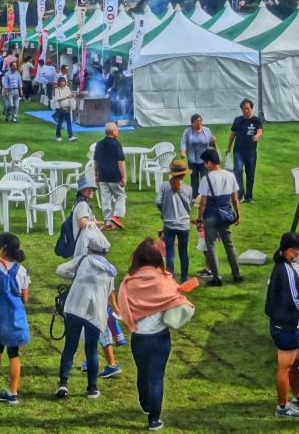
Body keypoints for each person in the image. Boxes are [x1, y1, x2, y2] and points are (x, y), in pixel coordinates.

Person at [118, 238, 194, 431]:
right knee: (157, 378)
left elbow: (123, 306)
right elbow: (175, 299)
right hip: (160, 337)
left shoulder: (130, 280)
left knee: (142, 373)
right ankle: (154, 420)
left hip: (139, 337)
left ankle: (145, 404)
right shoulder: (164, 278)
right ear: (157, 257)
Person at [264, 232, 299, 419]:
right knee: (285, 367)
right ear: (290, 251)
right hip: (285, 325)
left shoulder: (282, 266)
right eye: (298, 250)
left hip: (287, 323)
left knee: (294, 364)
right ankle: (282, 406)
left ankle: (298, 397)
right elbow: (292, 298)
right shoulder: (286, 270)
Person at [55, 232, 117, 401]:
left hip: (75, 308)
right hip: (95, 313)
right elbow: (110, 292)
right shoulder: (110, 271)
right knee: (92, 351)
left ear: (90, 249)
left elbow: (60, 269)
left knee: (70, 347)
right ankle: (92, 388)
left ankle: (63, 383)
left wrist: (75, 276)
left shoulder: (82, 260)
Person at [0, 233, 30, 405]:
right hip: (16, 318)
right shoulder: (22, 271)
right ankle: (13, 392)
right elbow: (25, 298)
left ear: (2, 249)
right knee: (14, 353)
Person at [197, 149, 242, 287]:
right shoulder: (230, 175)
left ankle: (217, 277)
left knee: (211, 246)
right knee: (229, 246)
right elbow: (235, 199)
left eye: (205, 163)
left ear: (210, 162)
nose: (205, 165)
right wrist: (238, 215)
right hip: (225, 214)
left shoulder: (207, 178)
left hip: (210, 215)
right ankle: (236, 274)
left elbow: (203, 202)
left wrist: (199, 218)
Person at [156, 159, 193, 283]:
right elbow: (189, 207)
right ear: (184, 174)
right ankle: (184, 277)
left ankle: (170, 278)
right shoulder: (188, 188)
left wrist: (164, 210)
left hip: (168, 224)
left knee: (170, 252)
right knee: (183, 251)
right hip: (184, 225)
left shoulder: (164, 186)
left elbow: (158, 202)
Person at [226, 99, 263, 202]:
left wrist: (257, 136)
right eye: (244, 109)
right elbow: (232, 134)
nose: (246, 111)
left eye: (248, 108)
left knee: (250, 174)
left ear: (251, 108)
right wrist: (229, 147)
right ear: (241, 109)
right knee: (238, 171)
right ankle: (240, 193)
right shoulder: (237, 120)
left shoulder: (256, 120)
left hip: (251, 153)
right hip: (238, 152)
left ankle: (249, 197)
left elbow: (260, 131)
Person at [94, 122, 127, 231]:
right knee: (120, 196)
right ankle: (116, 216)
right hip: (114, 176)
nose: (118, 132)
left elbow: (96, 162)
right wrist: (124, 176)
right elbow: (120, 162)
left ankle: (108, 222)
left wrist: (96, 175)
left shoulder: (99, 144)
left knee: (105, 199)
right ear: (113, 132)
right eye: (117, 130)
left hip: (102, 176)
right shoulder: (116, 144)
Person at [180, 114, 216, 196]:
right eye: (197, 121)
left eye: (200, 121)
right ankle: (195, 196)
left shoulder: (207, 130)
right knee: (194, 179)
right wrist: (183, 152)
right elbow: (184, 142)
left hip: (205, 160)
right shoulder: (188, 131)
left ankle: (204, 196)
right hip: (192, 160)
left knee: (205, 178)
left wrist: (213, 140)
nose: (199, 123)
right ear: (192, 123)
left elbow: (210, 143)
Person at [71, 175, 105, 257]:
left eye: (92, 188)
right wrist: (97, 223)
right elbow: (83, 223)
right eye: (87, 188)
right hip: (84, 245)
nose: (91, 190)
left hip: (84, 243)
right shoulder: (82, 204)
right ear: (81, 191)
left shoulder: (80, 202)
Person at [52, 76, 77, 142]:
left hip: (67, 108)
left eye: (63, 81)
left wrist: (73, 95)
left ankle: (70, 136)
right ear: (59, 82)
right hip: (60, 108)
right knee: (59, 123)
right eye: (61, 81)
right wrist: (66, 97)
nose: (62, 83)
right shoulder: (57, 89)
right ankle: (58, 136)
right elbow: (57, 98)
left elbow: (70, 96)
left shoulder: (67, 88)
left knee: (69, 123)